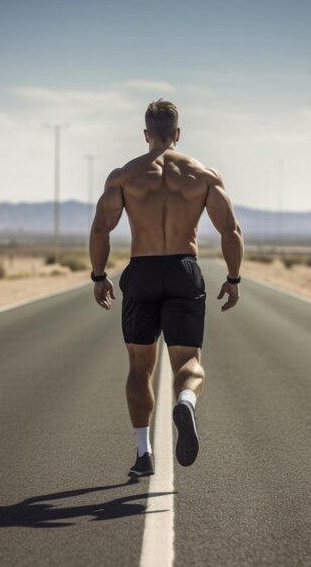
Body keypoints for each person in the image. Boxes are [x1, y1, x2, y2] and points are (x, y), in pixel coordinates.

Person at [89, 99, 244, 477]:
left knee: (140, 367)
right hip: (182, 269)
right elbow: (230, 230)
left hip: (141, 270)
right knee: (189, 362)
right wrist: (233, 278)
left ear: (146, 135)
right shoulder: (203, 175)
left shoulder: (124, 176)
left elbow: (100, 228)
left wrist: (99, 275)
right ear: (177, 134)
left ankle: (143, 455)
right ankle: (186, 402)